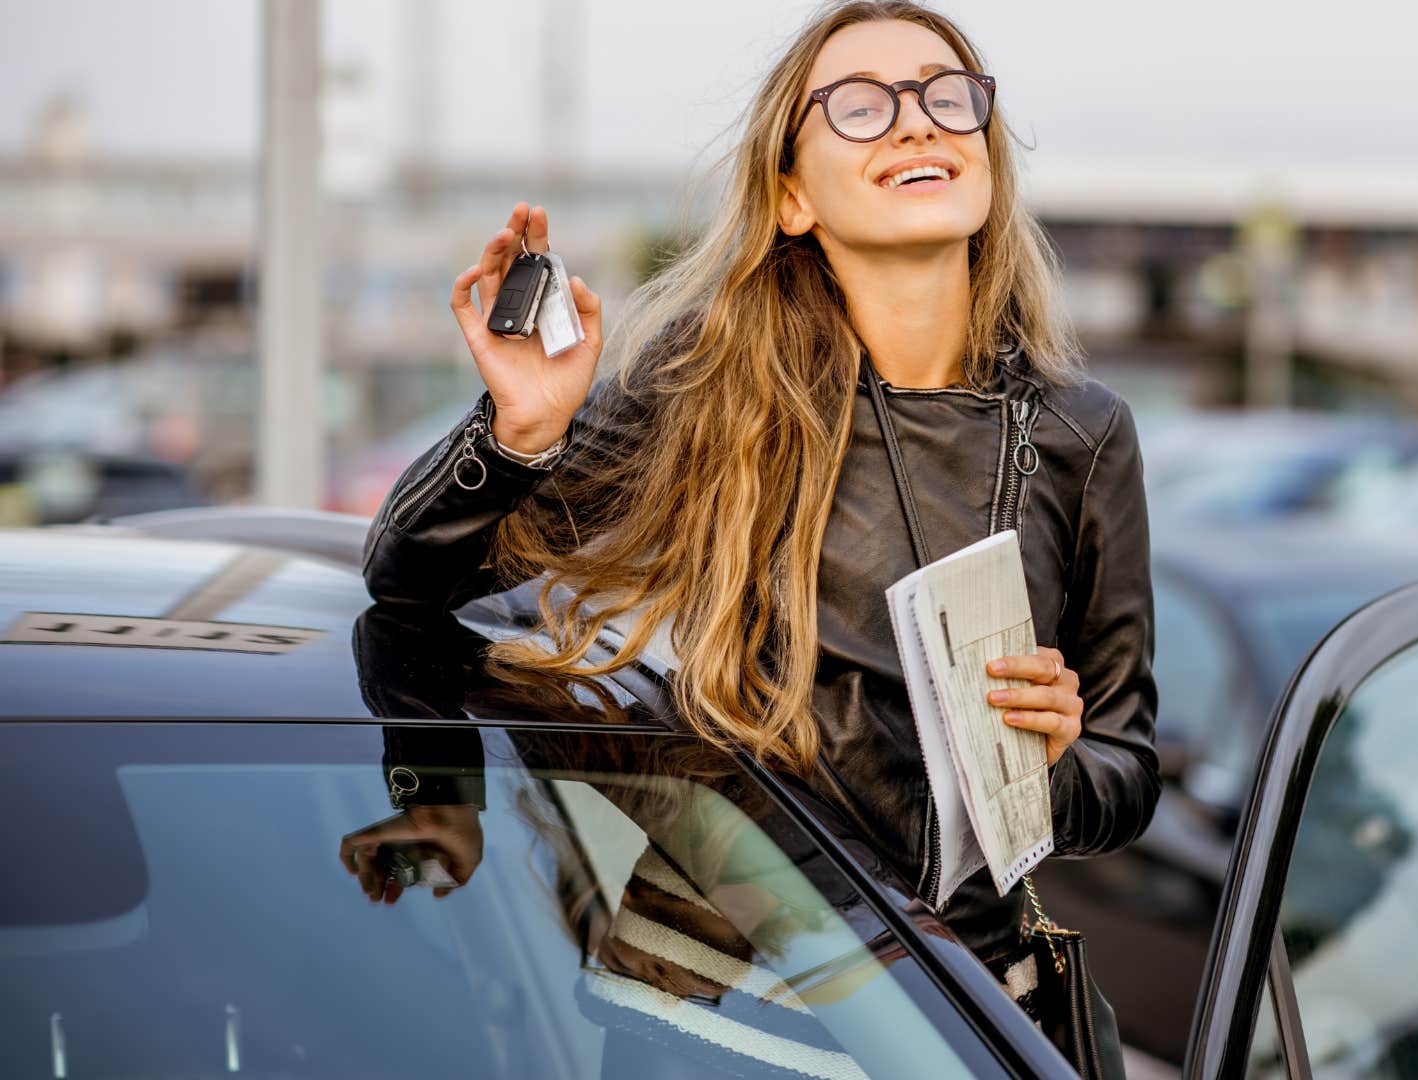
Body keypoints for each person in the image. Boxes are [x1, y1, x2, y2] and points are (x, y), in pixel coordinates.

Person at [362, 0, 1157, 1056]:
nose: (917, 120)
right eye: (861, 106)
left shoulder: (1083, 434)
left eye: (946, 96)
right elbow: (408, 583)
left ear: (986, 151)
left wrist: (1047, 768)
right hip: (709, 1019)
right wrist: (521, 434)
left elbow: (1125, 778)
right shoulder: (705, 387)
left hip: (955, 1025)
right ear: (792, 197)